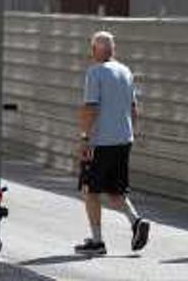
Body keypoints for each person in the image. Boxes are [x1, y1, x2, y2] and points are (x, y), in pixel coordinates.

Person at [74, 31, 150, 256]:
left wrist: (85, 139)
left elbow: (91, 108)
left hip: (101, 142)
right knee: (116, 190)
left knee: (90, 190)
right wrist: (129, 133)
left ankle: (97, 242)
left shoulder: (95, 72)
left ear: (94, 50)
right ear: (113, 50)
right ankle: (136, 221)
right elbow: (134, 109)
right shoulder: (125, 71)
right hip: (123, 140)